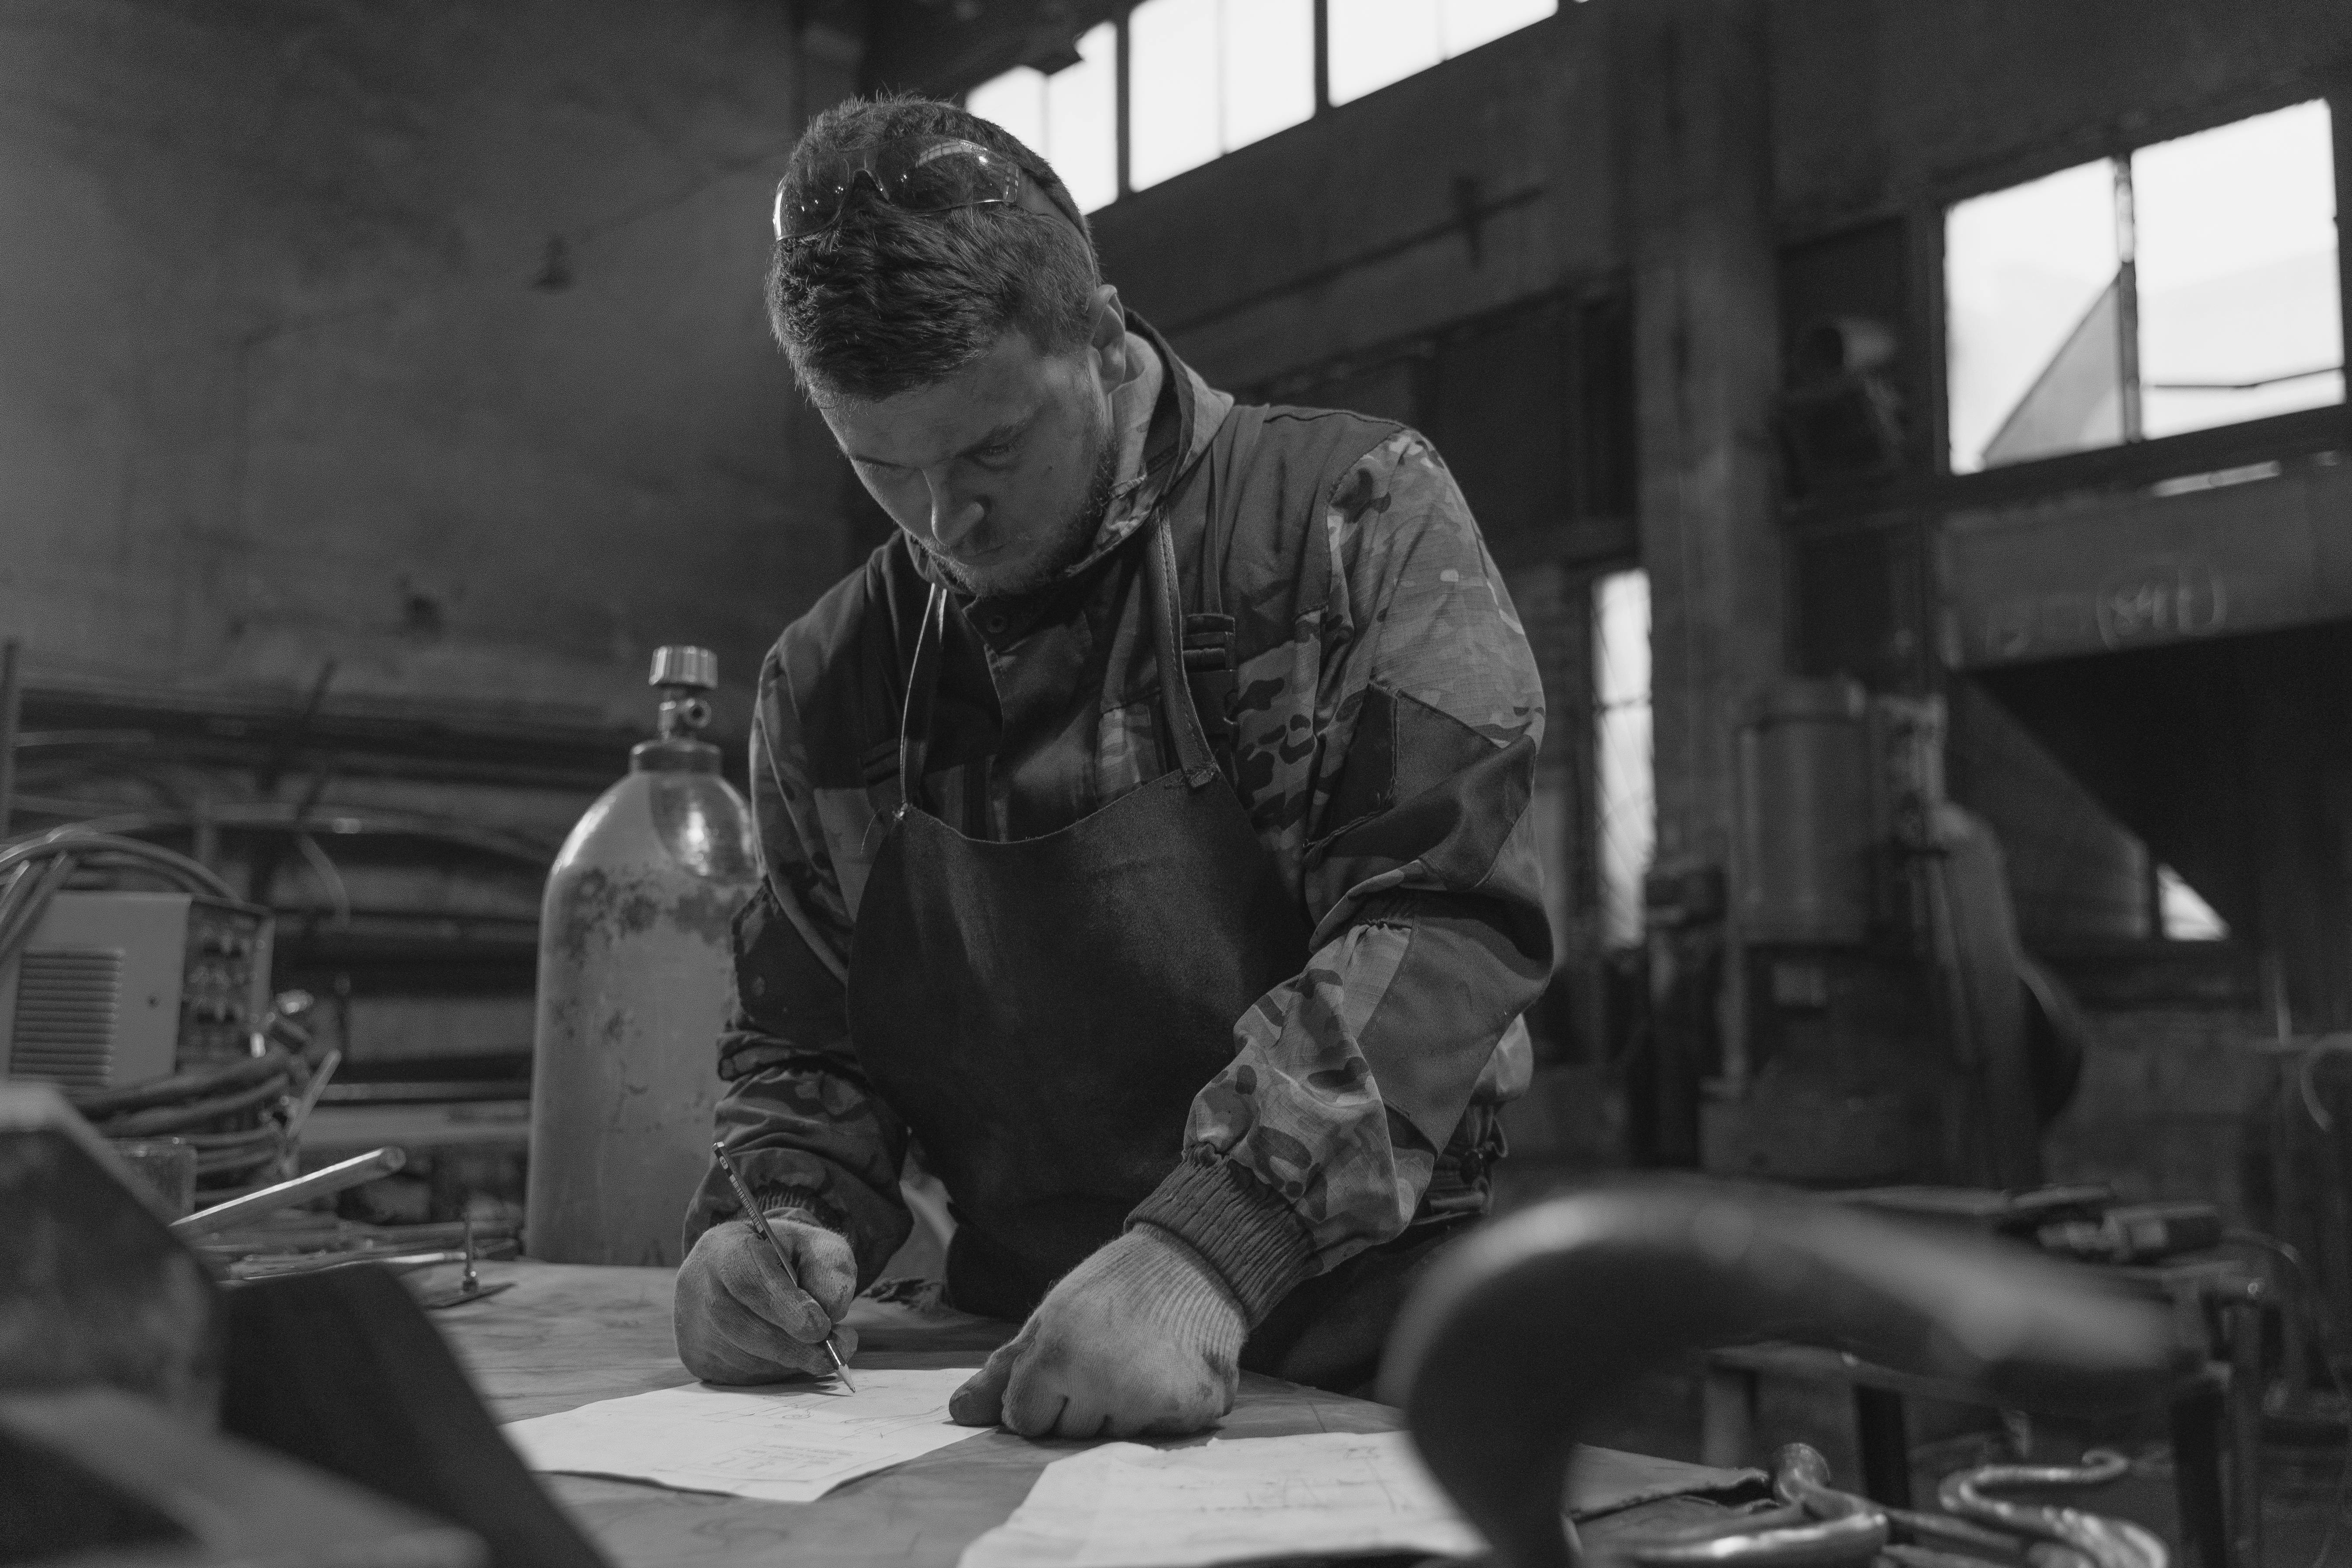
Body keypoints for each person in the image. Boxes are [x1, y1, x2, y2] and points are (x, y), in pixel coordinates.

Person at [670, 93, 1551, 1441]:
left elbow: (1441, 920)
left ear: (1098, 332)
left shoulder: (1343, 516)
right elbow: (806, 1038)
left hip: (1370, 1362)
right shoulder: (828, 678)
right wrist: (772, 1225)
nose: (947, 519)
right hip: (1020, 1369)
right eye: (881, 467)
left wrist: (1210, 1249)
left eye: (992, 447)